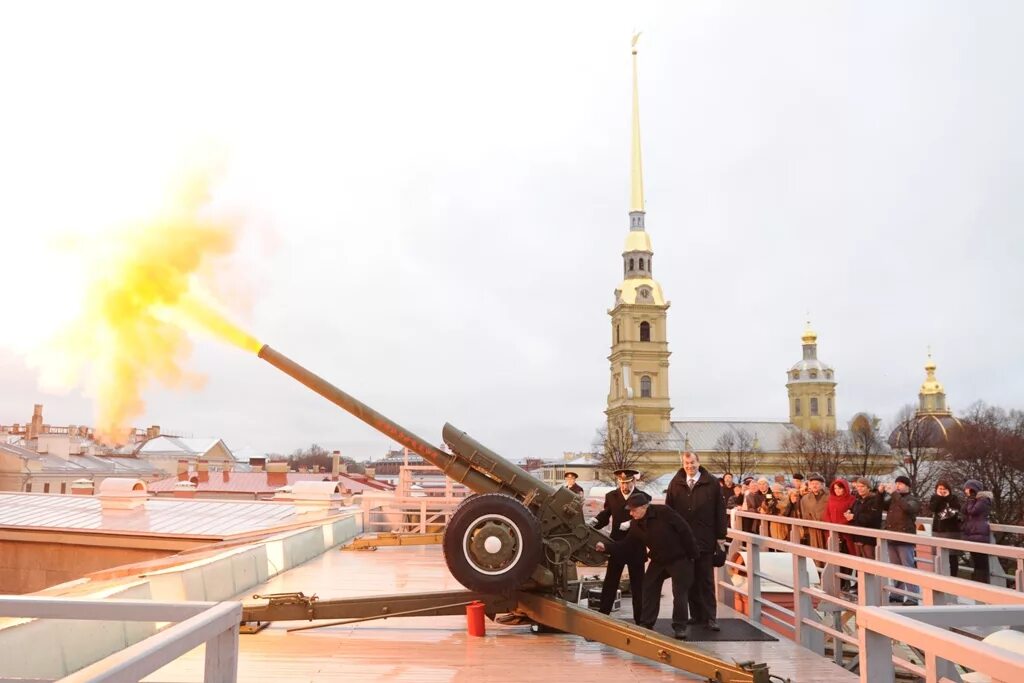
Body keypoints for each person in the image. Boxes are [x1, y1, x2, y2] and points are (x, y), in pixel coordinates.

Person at [596, 492, 698, 640]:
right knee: (648, 587)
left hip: (679, 558)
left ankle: (680, 627)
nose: (631, 513)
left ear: (644, 507)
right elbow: (627, 545)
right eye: (629, 510)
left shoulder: (664, 512)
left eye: (633, 510)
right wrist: (606, 547)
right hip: (658, 559)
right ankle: (646, 622)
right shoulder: (636, 525)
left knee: (680, 593)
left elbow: (684, 530)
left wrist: (693, 555)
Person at [665, 451, 727, 632]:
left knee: (706, 580)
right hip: (683, 542)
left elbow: (720, 511)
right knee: (688, 580)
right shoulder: (675, 483)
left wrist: (721, 536)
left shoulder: (712, 483)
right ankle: (696, 615)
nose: (689, 466)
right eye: (686, 463)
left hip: (705, 539)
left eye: (692, 462)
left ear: (698, 463)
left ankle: (710, 617)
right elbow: (669, 512)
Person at [591, 469, 649, 622]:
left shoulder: (643, 497)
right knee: (611, 582)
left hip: (635, 546)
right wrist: (594, 522)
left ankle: (640, 619)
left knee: (638, 585)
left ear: (633, 482)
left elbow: (646, 518)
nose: (624, 486)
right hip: (616, 545)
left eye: (627, 483)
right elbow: (606, 515)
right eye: (622, 483)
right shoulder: (612, 496)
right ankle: (603, 616)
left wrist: (631, 522)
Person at [883, 475, 921, 603]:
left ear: (907, 486)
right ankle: (897, 593)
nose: (897, 486)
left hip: (905, 538)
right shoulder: (893, 499)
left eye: (900, 484)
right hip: (892, 537)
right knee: (896, 568)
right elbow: (880, 505)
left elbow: (908, 508)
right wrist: (879, 492)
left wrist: (894, 494)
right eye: (896, 483)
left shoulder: (913, 499)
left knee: (908, 567)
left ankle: (912, 596)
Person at [929, 480, 963, 577]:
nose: (942, 491)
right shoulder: (934, 498)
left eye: (944, 489)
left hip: (951, 530)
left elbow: (957, 508)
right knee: (938, 556)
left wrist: (948, 497)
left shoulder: (953, 498)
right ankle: (939, 576)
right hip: (938, 530)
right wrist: (939, 497)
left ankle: (953, 576)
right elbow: (932, 508)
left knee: (952, 556)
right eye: (940, 489)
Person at [962, 479, 993, 584]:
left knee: (981, 562)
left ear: (972, 489)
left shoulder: (983, 500)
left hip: (980, 533)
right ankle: (978, 582)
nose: (965, 491)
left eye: (967, 488)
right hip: (973, 533)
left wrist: (970, 500)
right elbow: (964, 510)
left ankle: (982, 583)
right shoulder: (973, 500)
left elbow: (972, 511)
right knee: (976, 561)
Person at [847, 478, 883, 559]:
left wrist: (854, 516)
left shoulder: (875, 500)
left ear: (868, 488)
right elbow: (853, 512)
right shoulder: (857, 500)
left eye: (862, 486)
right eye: (858, 486)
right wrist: (848, 513)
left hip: (869, 538)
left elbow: (871, 518)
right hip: (857, 536)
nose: (859, 488)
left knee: (870, 562)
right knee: (859, 562)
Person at [824, 478, 856, 554]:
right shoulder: (831, 499)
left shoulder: (852, 499)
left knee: (848, 552)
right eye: (835, 488)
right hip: (831, 531)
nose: (837, 490)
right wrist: (831, 525)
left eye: (839, 488)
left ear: (845, 488)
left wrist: (839, 526)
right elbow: (827, 514)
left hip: (846, 532)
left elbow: (852, 513)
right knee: (832, 552)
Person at [799, 473, 829, 550]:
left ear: (822, 485)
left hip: (826, 529)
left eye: (817, 484)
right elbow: (804, 515)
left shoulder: (829, 496)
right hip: (812, 529)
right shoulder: (805, 499)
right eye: (812, 484)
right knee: (814, 551)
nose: (814, 486)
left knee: (827, 550)